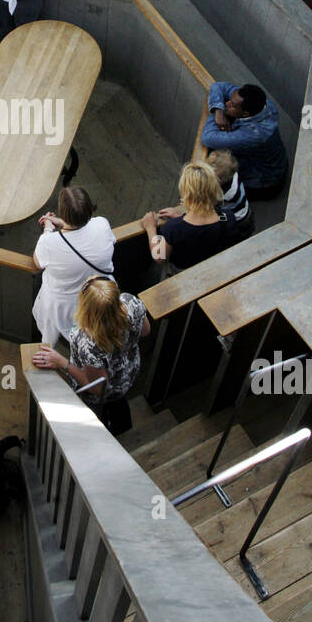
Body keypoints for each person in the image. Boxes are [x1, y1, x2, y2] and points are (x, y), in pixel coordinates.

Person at [32, 277, 150, 434]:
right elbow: (146, 331)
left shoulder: (86, 340)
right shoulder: (131, 302)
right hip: (129, 372)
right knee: (119, 407)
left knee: (97, 418)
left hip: (104, 395)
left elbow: (98, 389)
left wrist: (61, 362)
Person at [32, 186, 116, 345]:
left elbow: (37, 261)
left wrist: (48, 229)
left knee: (49, 338)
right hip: (101, 295)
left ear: (62, 212)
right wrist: (64, 224)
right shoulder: (102, 225)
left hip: (63, 305)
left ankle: (49, 353)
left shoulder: (49, 243)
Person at [142, 161, 239, 276]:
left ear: (186, 195)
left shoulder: (173, 228)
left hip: (182, 272)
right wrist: (182, 217)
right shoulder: (227, 217)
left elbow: (159, 257)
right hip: (212, 267)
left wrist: (151, 228)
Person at [200, 82, 287, 198]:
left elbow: (207, 138)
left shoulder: (255, 133)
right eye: (229, 100)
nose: (227, 103)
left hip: (264, 182)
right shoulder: (260, 103)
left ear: (245, 114)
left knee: (205, 189)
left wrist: (216, 113)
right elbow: (217, 86)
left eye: (232, 105)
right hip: (273, 161)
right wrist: (218, 111)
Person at [203, 150, 254, 237]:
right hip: (243, 209)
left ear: (220, 181)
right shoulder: (232, 173)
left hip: (238, 219)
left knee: (235, 235)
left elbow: (209, 205)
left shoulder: (226, 194)